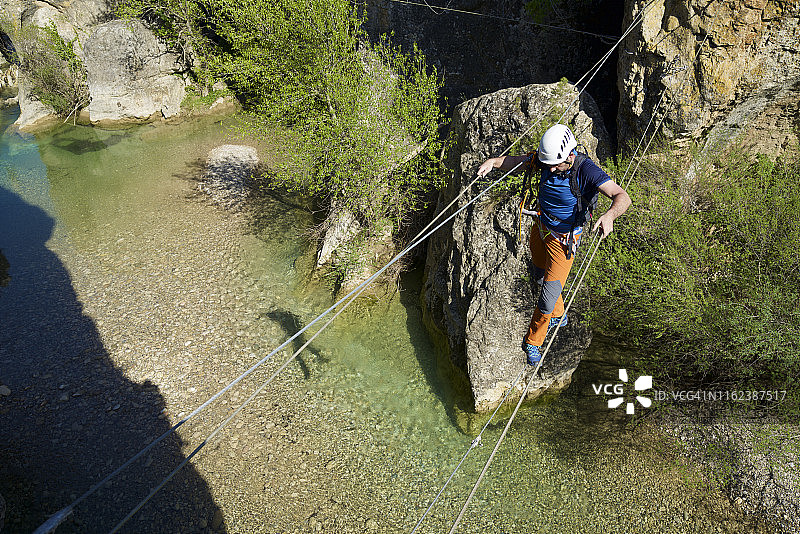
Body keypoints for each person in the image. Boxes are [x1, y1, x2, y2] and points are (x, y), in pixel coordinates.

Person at [477, 124, 631, 366]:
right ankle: (560, 315)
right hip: (540, 228)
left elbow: (622, 196)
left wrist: (609, 216)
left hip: (564, 241)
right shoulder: (548, 160)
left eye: (555, 164)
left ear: (570, 155)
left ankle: (532, 342)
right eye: (547, 163)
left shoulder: (586, 170)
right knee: (539, 276)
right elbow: (518, 162)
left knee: (546, 299)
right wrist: (494, 162)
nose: (549, 168)